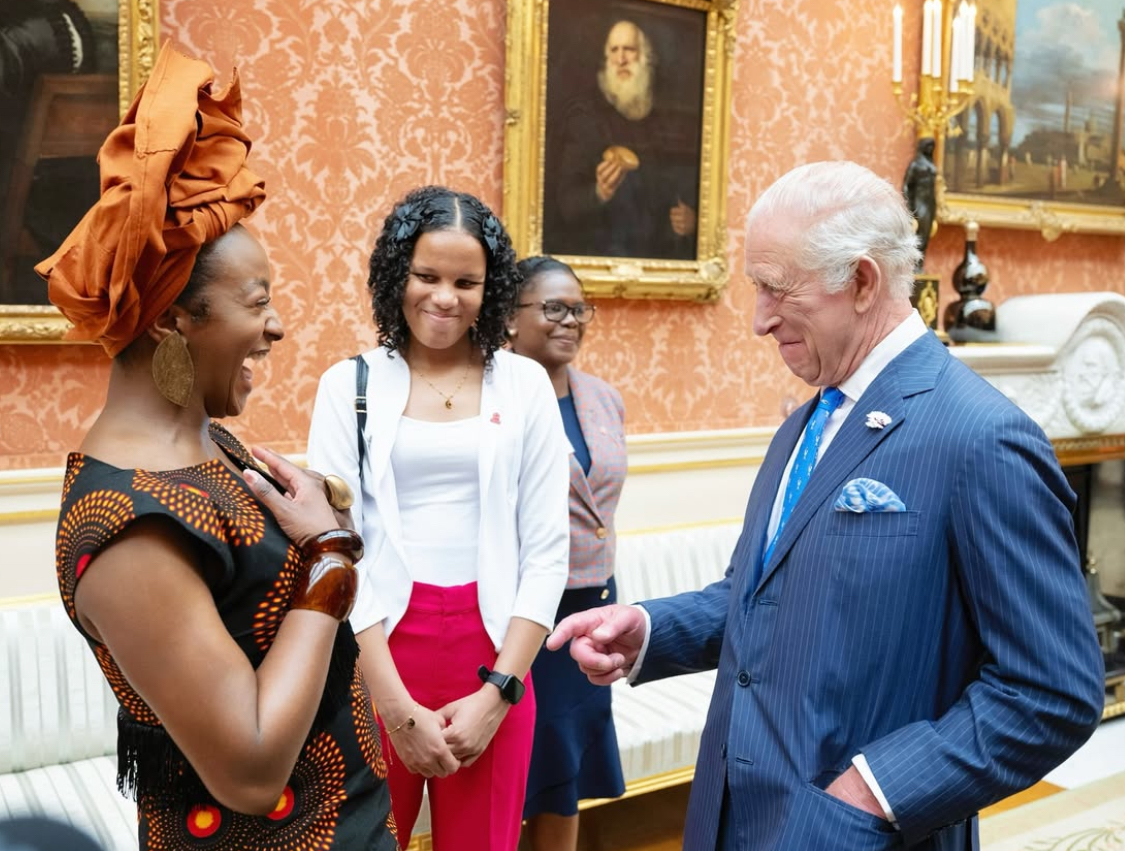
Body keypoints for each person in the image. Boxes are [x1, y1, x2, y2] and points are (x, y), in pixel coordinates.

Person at [549, 161, 1106, 850]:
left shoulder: (981, 438)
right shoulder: (803, 425)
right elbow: (757, 598)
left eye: (775, 288)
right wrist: (648, 629)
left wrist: (873, 791)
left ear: (862, 281)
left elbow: (1051, 692)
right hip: (731, 820)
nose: (757, 320)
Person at [34, 43, 398, 850]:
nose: (276, 326)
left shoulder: (208, 441)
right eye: (257, 302)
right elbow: (252, 767)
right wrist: (331, 559)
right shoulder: (128, 529)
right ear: (172, 319)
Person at [306, 187, 570, 851]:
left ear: (492, 288)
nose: (444, 297)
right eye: (426, 276)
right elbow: (334, 551)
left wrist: (499, 692)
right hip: (377, 653)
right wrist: (394, 708)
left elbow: (546, 551)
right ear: (397, 275)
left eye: (465, 282)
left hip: (496, 653)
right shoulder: (349, 385)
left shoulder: (525, 384)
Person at [506, 256, 627, 851]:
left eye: (580, 309)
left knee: (567, 771)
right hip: (522, 612)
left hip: (591, 610)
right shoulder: (493, 400)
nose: (571, 320)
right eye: (554, 308)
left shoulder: (604, 398)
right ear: (510, 317)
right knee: (515, 768)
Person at [542, 19, 699, 260]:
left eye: (629, 49)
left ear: (645, 57)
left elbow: (680, 191)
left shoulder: (665, 123)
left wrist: (692, 223)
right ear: (606, 59)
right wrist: (598, 192)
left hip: (659, 263)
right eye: (614, 50)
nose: (621, 59)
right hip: (599, 256)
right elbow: (566, 204)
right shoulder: (585, 119)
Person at [902, 136, 938, 271]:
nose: (930, 149)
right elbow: (906, 186)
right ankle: (914, 264)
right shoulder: (916, 164)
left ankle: (920, 264)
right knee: (919, 233)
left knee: (926, 234)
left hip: (930, 202)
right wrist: (909, 207)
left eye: (932, 146)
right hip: (919, 201)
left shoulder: (931, 163)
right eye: (928, 146)